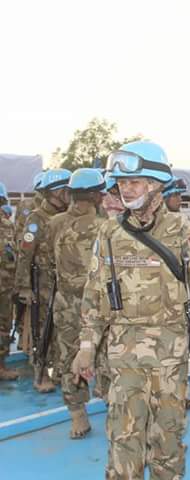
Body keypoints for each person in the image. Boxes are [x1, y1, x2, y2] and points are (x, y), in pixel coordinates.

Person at [72, 140, 190, 478]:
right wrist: (87, 345)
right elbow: (95, 293)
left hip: (171, 352)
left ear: (155, 184)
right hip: (123, 354)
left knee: (168, 439)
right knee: (123, 439)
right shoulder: (109, 232)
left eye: (134, 182)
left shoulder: (186, 232)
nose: (126, 190)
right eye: (121, 183)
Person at [48, 168, 106, 438]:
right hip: (98, 304)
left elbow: (48, 260)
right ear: (96, 195)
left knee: (68, 356)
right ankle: (114, 406)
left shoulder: (55, 222)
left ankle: (77, 416)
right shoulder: (105, 226)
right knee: (106, 354)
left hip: (65, 302)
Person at [15, 168, 72, 392]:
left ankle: (58, 370)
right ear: (54, 192)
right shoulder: (36, 218)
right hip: (43, 283)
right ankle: (41, 374)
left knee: (63, 328)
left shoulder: (68, 216)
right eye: (66, 190)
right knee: (42, 329)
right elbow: (25, 254)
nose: (70, 194)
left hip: (64, 282)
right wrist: (24, 287)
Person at [0, 182, 19, 380]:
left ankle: (1, 365)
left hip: (5, 288)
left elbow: (13, 255)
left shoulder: (7, 225)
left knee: (4, 326)